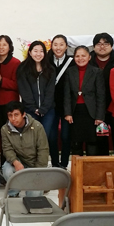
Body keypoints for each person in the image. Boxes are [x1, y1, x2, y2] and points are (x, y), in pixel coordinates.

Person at [63, 46, 106, 156]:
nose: (80, 58)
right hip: (75, 112)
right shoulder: (69, 72)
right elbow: (67, 94)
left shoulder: (96, 72)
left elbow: (101, 96)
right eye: (77, 56)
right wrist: (67, 113)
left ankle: (91, 171)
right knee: (76, 143)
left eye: (83, 55)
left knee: (92, 143)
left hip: (91, 112)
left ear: (89, 57)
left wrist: (99, 116)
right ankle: (78, 172)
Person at [0, 101, 48, 198]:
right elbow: (7, 149)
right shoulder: (5, 129)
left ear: (23, 114)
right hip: (19, 162)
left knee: (33, 197)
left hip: (35, 165)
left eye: (16, 115)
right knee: (7, 169)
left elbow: (43, 150)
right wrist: (15, 162)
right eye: (10, 115)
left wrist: (37, 173)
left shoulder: (37, 127)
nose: (13, 119)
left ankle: (39, 186)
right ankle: (14, 192)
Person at [17, 41, 56, 157]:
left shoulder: (50, 69)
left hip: (48, 110)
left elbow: (50, 91)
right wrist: (33, 108)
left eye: (41, 51)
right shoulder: (23, 68)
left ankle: (43, 162)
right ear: (30, 52)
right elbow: (24, 90)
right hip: (30, 110)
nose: (38, 54)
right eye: (35, 51)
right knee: (31, 138)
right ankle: (31, 164)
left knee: (45, 136)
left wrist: (43, 108)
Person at [89, 33, 114, 156]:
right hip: (95, 108)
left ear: (112, 46)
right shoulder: (88, 60)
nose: (102, 47)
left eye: (106, 43)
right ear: (94, 46)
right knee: (99, 140)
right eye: (99, 44)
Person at [0, 35, 20, 170]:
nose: (1, 47)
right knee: (1, 135)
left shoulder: (15, 63)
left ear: (9, 47)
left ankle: (9, 165)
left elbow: (17, 85)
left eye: (4, 45)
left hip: (9, 104)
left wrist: (1, 80)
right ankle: (3, 166)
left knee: (10, 136)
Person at [48, 34, 75, 169]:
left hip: (66, 105)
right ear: (51, 46)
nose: (58, 48)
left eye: (61, 44)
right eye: (55, 44)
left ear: (66, 46)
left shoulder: (72, 62)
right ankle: (54, 163)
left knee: (65, 136)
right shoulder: (46, 61)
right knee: (51, 137)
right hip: (50, 105)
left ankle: (63, 164)